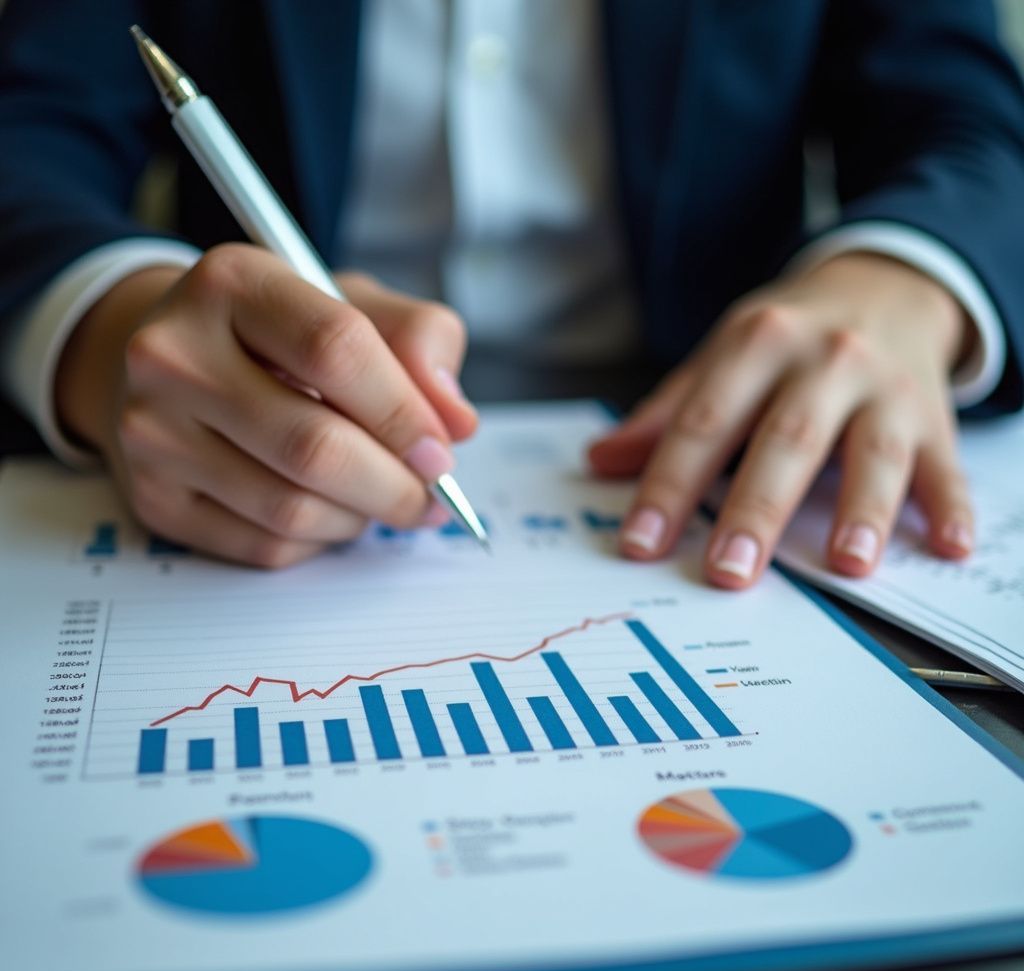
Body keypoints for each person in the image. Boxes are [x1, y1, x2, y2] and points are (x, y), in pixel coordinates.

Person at [1, 0, 1023, 588]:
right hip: (253, 409)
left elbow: (966, 119)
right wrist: (110, 328)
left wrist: (905, 277)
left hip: (704, 413)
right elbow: (28, 131)